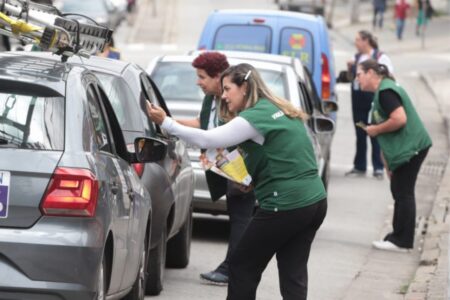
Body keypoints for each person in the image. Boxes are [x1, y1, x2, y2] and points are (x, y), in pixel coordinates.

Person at [147, 63, 327, 300]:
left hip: (284, 203)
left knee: (241, 266)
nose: (223, 96)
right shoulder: (278, 109)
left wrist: (166, 122)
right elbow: (286, 156)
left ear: (244, 88)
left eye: (227, 89)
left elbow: (208, 138)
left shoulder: (254, 117)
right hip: (314, 201)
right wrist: (253, 179)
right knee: (293, 273)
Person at [176, 52, 256, 285]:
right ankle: (234, 267)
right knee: (238, 218)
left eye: (202, 77)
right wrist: (167, 122)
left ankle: (232, 269)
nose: (198, 81)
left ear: (218, 76)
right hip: (225, 169)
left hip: (241, 171)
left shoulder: (232, 100)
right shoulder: (211, 99)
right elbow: (203, 124)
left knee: (242, 219)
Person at [356, 59, 432, 252]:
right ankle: (397, 237)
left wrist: (376, 129)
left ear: (371, 73)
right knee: (399, 190)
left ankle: (402, 241)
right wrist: (388, 162)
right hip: (406, 149)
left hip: (412, 147)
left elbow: (399, 119)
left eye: (359, 74)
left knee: (403, 192)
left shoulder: (385, 92)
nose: (357, 78)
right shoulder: (382, 90)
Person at [346, 30, 394, 179]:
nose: (356, 42)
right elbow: (351, 79)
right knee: (360, 133)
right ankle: (359, 166)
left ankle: (378, 167)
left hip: (373, 101)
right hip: (358, 101)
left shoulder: (380, 57)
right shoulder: (356, 57)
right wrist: (350, 68)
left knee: (375, 133)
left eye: (358, 39)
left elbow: (389, 76)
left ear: (366, 41)